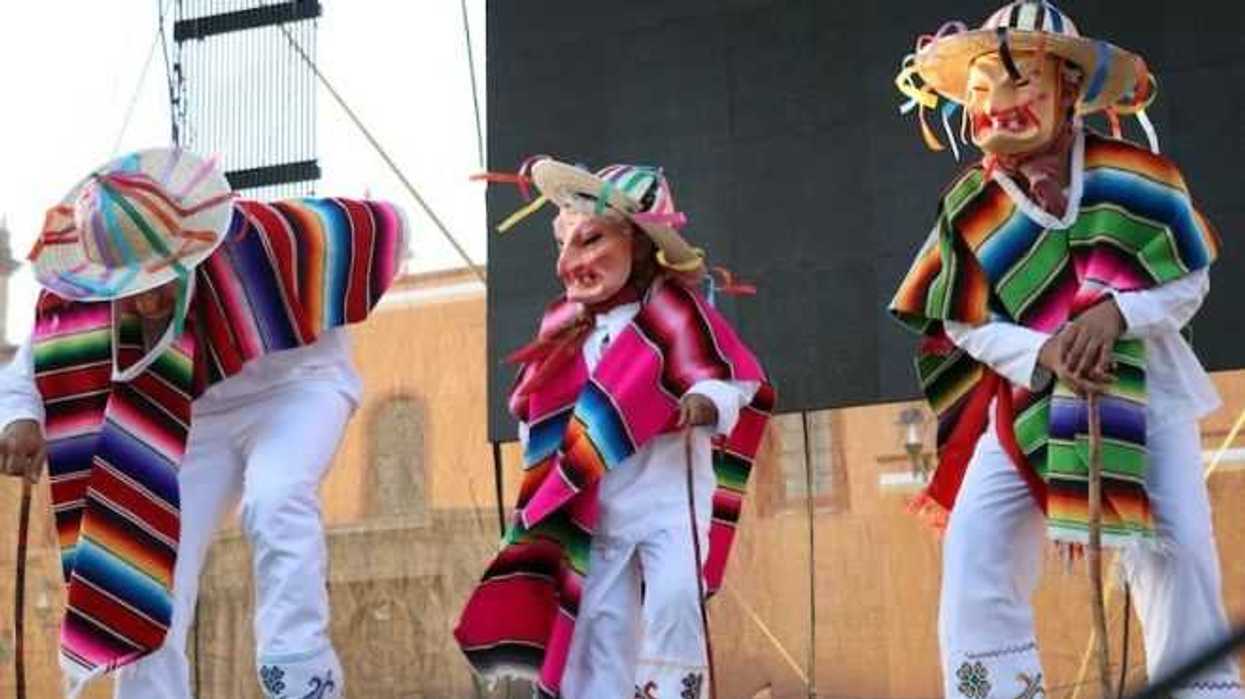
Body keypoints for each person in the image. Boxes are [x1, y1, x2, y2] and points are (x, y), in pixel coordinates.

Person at [889, 3, 1244, 697]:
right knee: (975, 548)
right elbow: (961, 321)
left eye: (1020, 80)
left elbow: (1188, 280)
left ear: (1070, 87)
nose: (998, 102)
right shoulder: (969, 204)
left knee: (1176, 553)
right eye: (983, 86)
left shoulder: (1134, 174)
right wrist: (1046, 354)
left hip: (1148, 397)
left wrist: (1115, 315)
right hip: (1025, 403)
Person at [0, 147, 407, 699]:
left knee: (276, 498)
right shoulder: (85, 300)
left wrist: (337, 281)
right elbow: (26, 374)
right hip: (193, 419)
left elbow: (380, 228)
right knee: (147, 564)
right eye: (129, 294)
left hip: (299, 388)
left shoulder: (260, 242)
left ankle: (298, 676)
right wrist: (20, 419)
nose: (145, 306)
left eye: (156, 285)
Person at [455, 159, 774, 698]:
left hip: (669, 504)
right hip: (595, 511)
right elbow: (538, 410)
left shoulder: (676, 313)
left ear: (640, 245)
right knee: (596, 627)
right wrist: (544, 470)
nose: (570, 262)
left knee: (675, 602)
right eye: (564, 243)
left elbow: (734, 379)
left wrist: (703, 402)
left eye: (590, 240)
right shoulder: (561, 326)